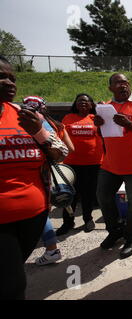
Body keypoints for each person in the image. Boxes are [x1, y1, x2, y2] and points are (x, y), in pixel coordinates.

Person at [0, 56, 68, 299]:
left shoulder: (26, 115)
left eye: (12, 78)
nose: (9, 83)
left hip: (35, 214)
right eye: (2, 77)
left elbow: (61, 153)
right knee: (14, 285)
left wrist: (38, 132)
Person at [94, 73, 132, 259]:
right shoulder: (105, 107)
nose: (123, 85)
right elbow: (102, 134)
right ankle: (115, 231)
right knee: (103, 197)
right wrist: (98, 125)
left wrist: (129, 124)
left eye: (125, 82)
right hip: (110, 163)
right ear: (110, 87)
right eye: (118, 83)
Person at [20, 96, 73, 266]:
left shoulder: (35, 122)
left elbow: (63, 150)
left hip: (37, 174)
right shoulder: (53, 123)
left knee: (41, 213)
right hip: (46, 173)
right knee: (43, 212)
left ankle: (51, 249)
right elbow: (68, 150)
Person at [56, 93, 104, 236]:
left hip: (93, 163)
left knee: (88, 193)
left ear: (91, 104)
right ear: (75, 104)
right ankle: (68, 222)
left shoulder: (96, 118)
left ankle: (88, 219)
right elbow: (61, 138)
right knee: (70, 194)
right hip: (72, 164)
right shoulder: (68, 118)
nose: (82, 103)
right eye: (79, 101)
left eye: (86, 101)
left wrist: (103, 110)